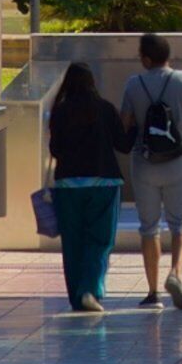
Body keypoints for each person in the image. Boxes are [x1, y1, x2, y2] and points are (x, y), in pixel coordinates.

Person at [116, 32, 182, 309]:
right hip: (177, 162)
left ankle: (152, 293)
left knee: (149, 228)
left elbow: (124, 124)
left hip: (144, 163)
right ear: (168, 56)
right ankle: (176, 274)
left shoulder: (133, 84)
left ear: (146, 59)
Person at [43, 62, 129, 314]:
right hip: (104, 183)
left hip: (67, 185)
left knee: (72, 242)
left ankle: (76, 298)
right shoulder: (105, 109)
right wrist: (133, 126)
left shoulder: (59, 111)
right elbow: (122, 145)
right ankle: (89, 290)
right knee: (100, 240)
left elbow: (55, 150)